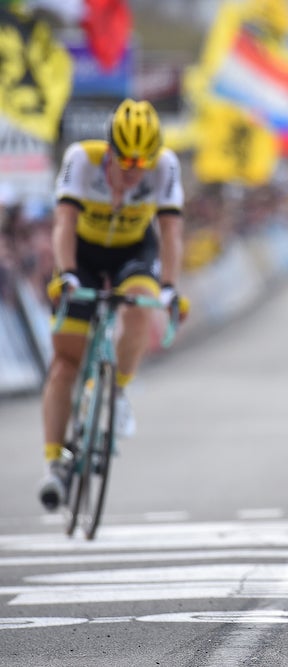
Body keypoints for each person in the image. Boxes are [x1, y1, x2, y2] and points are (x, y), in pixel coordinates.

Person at [38, 98, 186, 511]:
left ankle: (117, 390)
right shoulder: (81, 160)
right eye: (126, 161)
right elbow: (64, 223)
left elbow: (171, 233)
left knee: (141, 305)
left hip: (133, 254)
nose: (134, 171)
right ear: (110, 150)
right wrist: (67, 274)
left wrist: (170, 286)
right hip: (82, 255)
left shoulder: (165, 166)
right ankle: (54, 465)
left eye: (143, 162)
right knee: (64, 364)